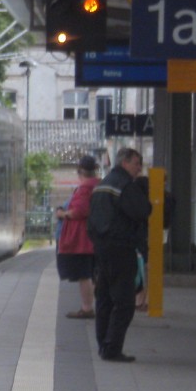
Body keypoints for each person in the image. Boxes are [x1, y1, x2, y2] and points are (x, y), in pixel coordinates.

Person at [88, 147, 151, 363]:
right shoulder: (126, 186)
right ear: (125, 163)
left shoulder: (101, 185)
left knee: (104, 298)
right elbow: (142, 211)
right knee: (124, 301)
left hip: (101, 249)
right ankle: (113, 348)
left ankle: (103, 344)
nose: (138, 169)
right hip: (121, 249)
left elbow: (92, 219)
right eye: (136, 164)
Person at [57, 154, 100, 319]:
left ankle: (87, 308)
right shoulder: (99, 185)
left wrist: (63, 214)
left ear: (80, 171)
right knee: (92, 274)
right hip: (93, 237)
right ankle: (93, 306)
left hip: (82, 239)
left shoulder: (85, 188)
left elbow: (80, 211)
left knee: (84, 275)